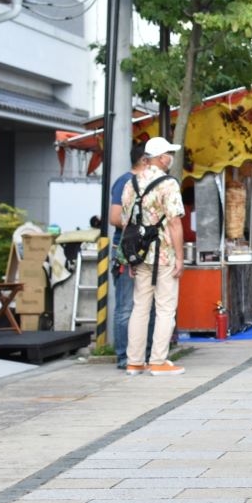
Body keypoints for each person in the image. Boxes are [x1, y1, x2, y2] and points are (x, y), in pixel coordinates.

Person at [122, 136, 186, 376]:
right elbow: (175, 223)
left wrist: (128, 257)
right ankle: (158, 360)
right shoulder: (168, 184)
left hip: (138, 253)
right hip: (164, 253)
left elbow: (127, 223)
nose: (171, 158)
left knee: (139, 308)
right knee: (165, 308)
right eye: (169, 153)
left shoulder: (132, 184)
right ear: (161, 158)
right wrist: (180, 258)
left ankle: (134, 361)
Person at [109, 142, 153, 369]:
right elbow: (114, 217)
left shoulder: (152, 183)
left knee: (147, 305)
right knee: (126, 306)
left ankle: (144, 354)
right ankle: (124, 358)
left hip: (147, 252)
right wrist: (141, 223)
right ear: (145, 160)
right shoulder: (125, 182)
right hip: (126, 251)